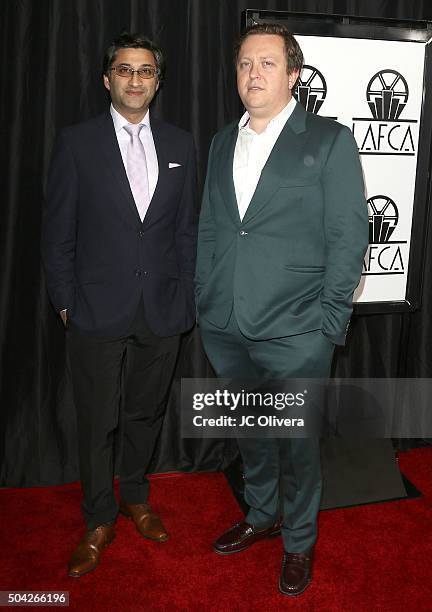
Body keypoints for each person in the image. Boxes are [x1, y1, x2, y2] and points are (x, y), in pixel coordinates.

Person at [195, 23, 368, 596]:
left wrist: (328, 324)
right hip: (225, 326)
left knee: (297, 445)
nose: (253, 74)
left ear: (293, 75)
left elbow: (349, 238)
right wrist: (205, 297)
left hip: (298, 331)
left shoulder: (327, 140)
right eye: (245, 64)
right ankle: (261, 513)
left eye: (267, 64)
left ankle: (299, 541)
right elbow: (214, 230)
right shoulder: (222, 141)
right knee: (251, 433)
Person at [42, 32, 197, 577]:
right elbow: (57, 233)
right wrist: (65, 302)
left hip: (161, 307)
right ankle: (98, 517)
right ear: (108, 79)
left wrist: (186, 291)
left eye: (146, 71)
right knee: (97, 419)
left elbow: (185, 232)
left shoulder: (181, 145)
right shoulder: (77, 142)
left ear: (157, 82)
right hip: (94, 309)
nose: (136, 79)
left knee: (145, 412)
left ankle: (135, 495)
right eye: (126, 70)